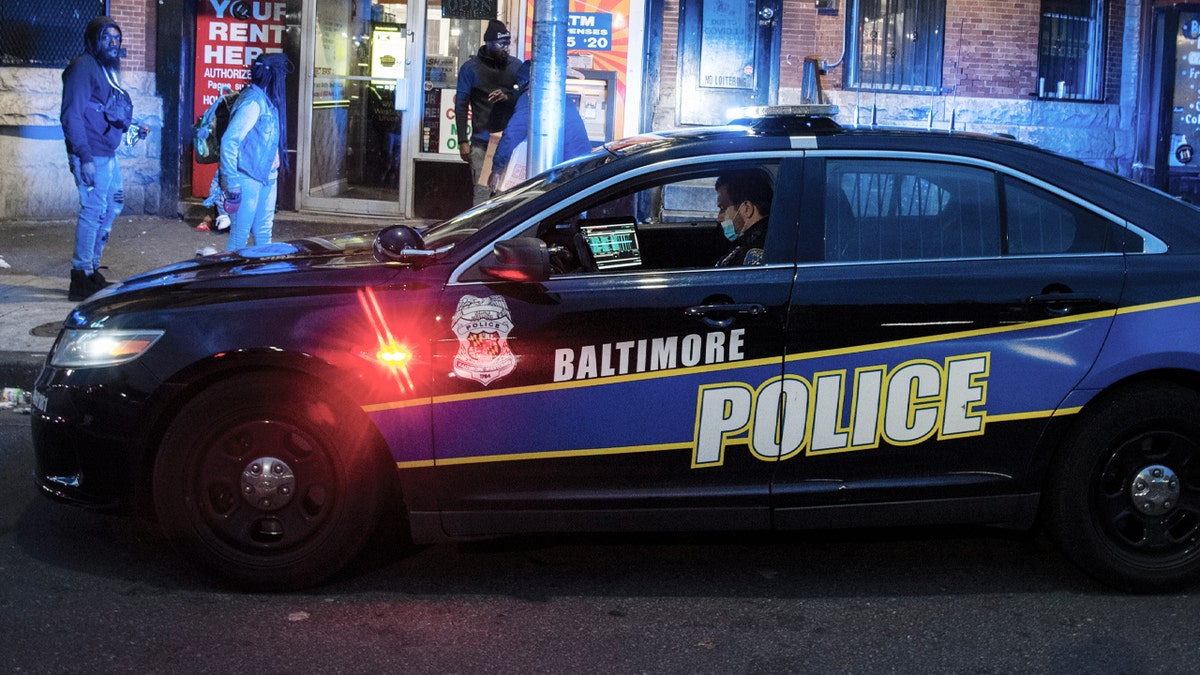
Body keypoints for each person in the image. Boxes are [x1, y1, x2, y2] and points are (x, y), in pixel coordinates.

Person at [61, 15, 143, 301]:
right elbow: (72, 115)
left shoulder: (104, 69)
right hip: (92, 154)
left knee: (113, 204)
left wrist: (132, 126)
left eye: (117, 38)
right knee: (93, 210)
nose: (113, 42)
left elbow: (106, 109)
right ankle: (80, 275)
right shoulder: (83, 67)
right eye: (107, 37)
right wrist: (84, 157)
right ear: (93, 39)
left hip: (106, 152)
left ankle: (92, 268)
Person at [219, 53, 292, 251]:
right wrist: (231, 181)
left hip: (266, 176)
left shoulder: (263, 100)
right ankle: (231, 279)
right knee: (239, 236)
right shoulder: (253, 103)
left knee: (263, 232)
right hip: (247, 177)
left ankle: (259, 277)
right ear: (274, 78)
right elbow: (229, 141)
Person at [487, 59, 593, 193]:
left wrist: (497, 170)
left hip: (565, 171)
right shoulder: (560, 96)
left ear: (524, 83)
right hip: (582, 166)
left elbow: (512, 134)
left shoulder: (532, 97)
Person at [455, 19, 521, 205]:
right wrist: (462, 141)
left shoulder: (516, 67)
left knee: (507, 195)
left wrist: (507, 96)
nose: (506, 48)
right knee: (482, 194)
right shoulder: (470, 69)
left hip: (509, 142)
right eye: (501, 44)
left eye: (508, 44)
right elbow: (461, 105)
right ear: (488, 44)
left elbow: (526, 99)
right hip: (482, 142)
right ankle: (480, 233)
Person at [714, 170, 773, 267]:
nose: (719, 218)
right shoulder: (755, 239)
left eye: (723, 209)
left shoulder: (752, 253)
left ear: (747, 209)